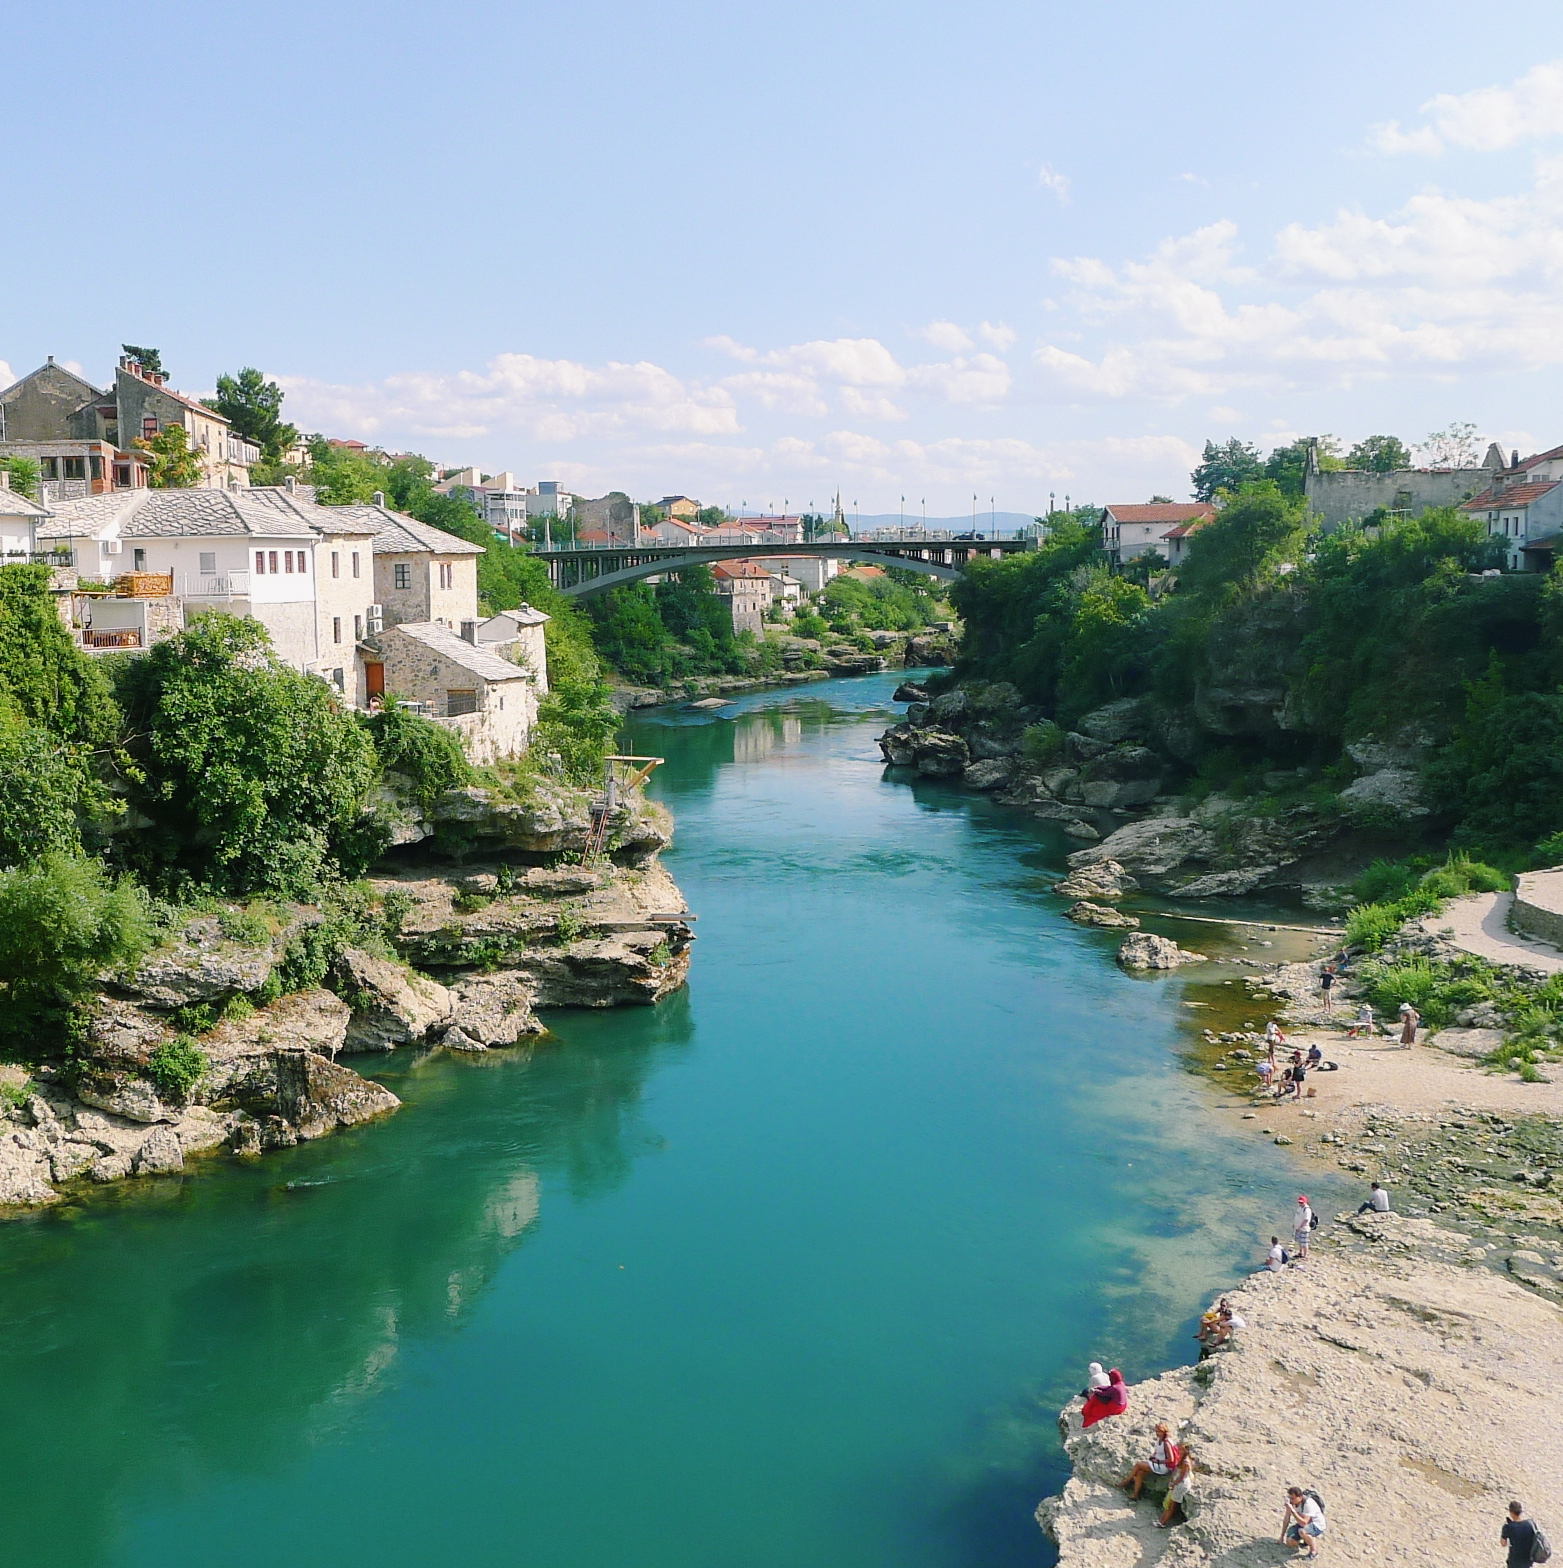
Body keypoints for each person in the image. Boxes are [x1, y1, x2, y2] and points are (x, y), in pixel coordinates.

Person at [1120, 1422, 1180, 1500]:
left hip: (1162, 1466)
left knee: (1138, 1464)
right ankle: (1135, 1494)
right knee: (1139, 1473)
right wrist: (1153, 1456)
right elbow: (1157, 1450)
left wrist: (1158, 1461)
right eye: (1156, 1431)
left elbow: (1171, 1459)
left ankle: (1126, 1482)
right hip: (1156, 1461)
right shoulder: (1160, 1439)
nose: (1157, 1433)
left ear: (1164, 1432)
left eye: (1159, 1431)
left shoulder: (1166, 1443)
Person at [1282, 1486, 1327, 1558]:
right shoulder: (1292, 1503)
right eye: (1290, 1498)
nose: (1291, 1500)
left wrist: (1293, 1511)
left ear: (1299, 1497)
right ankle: (1305, 1541)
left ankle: (1313, 1551)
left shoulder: (1308, 1504)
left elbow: (1304, 1522)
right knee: (1290, 1541)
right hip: (1303, 1524)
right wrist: (1281, 1536)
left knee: (1302, 1531)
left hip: (1316, 1525)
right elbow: (1286, 1519)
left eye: (1293, 1498)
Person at [1157, 1446, 1195, 1528]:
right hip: (1177, 1482)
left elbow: (1182, 1476)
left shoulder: (1185, 1462)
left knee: (1172, 1505)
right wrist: (1171, 1480)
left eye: (1181, 1450)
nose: (1179, 1451)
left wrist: (1174, 1483)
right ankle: (1161, 1520)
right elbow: (1176, 1471)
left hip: (1181, 1485)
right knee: (1169, 1503)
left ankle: (1163, 1522)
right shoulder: (1181, 1459)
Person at [1502, 1501, 1539, 1568]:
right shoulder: (1530, 1524)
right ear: (1521, 1512)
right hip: (1527, 1559)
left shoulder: (1508, 1527)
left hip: (1514, 1561)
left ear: (1511, 1512)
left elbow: (1503, 1543)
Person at [1293, 1195, 1314, 1260]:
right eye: (1299, 1202)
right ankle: (1300, 1253)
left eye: (1302, 1202)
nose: (1300, 1203)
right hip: (1298, 1228)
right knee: (1299, 1241)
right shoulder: (1300, 1208)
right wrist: (1294, 1224)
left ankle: (1305, 1256)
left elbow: (1306, 1220)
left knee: (1304, 1243)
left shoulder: (1307, 1210)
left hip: (1303, 1229)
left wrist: (1300, 1226)